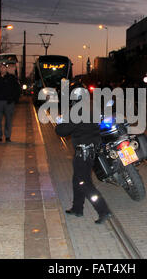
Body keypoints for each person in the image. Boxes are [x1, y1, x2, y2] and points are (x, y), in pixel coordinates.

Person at [55, 88, 112, 224]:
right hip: (92, 151)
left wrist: (59, 122)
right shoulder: (93, 108)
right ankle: (77, 208)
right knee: (77, 180)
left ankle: (103, 210)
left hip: (83, 153)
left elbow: (62, 131)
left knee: (84, 183)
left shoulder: (76, 112)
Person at [0, 62, 20, 143]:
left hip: (9, 103)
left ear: (7, 68)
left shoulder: (12, 78)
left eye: (4, 67)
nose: (3, 69)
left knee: (8, 120)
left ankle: (8, 136)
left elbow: (17, 89)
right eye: (1, 67)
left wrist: (14, 99)